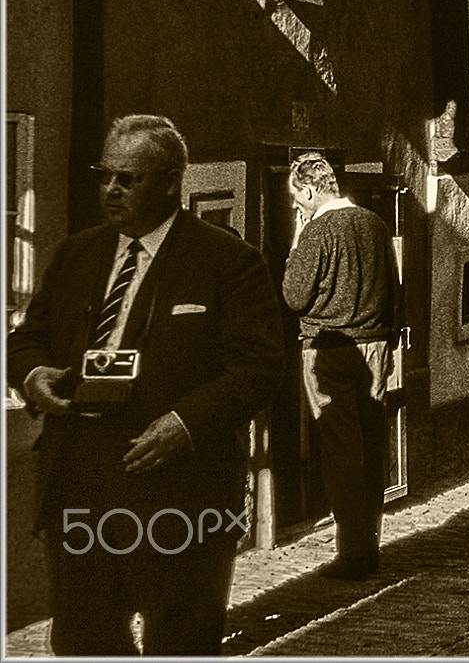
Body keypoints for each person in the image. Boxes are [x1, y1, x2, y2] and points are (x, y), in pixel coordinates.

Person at [8, 115, 283, 655]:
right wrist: (35, 376)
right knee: (85, 640)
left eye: (127, 179)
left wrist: (184, 424)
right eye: (105, 175)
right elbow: (26, 340)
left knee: (180, 640)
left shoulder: (228, 262)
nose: (111, 189)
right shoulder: (76, 254)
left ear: (170, 181)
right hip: (79, 486)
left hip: (181, 491)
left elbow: (258, 369)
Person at [283, 152, 399, 580]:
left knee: (341, 453)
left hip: (327, 352)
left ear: (311, 190)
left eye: (297, 200)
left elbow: (294, 296)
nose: (297, 209)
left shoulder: (316, 231)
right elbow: (395, 286)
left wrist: (298, 239)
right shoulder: (374, 223)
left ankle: (353, 556)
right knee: (370, 449)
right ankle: (368, 545)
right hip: (375, 346)